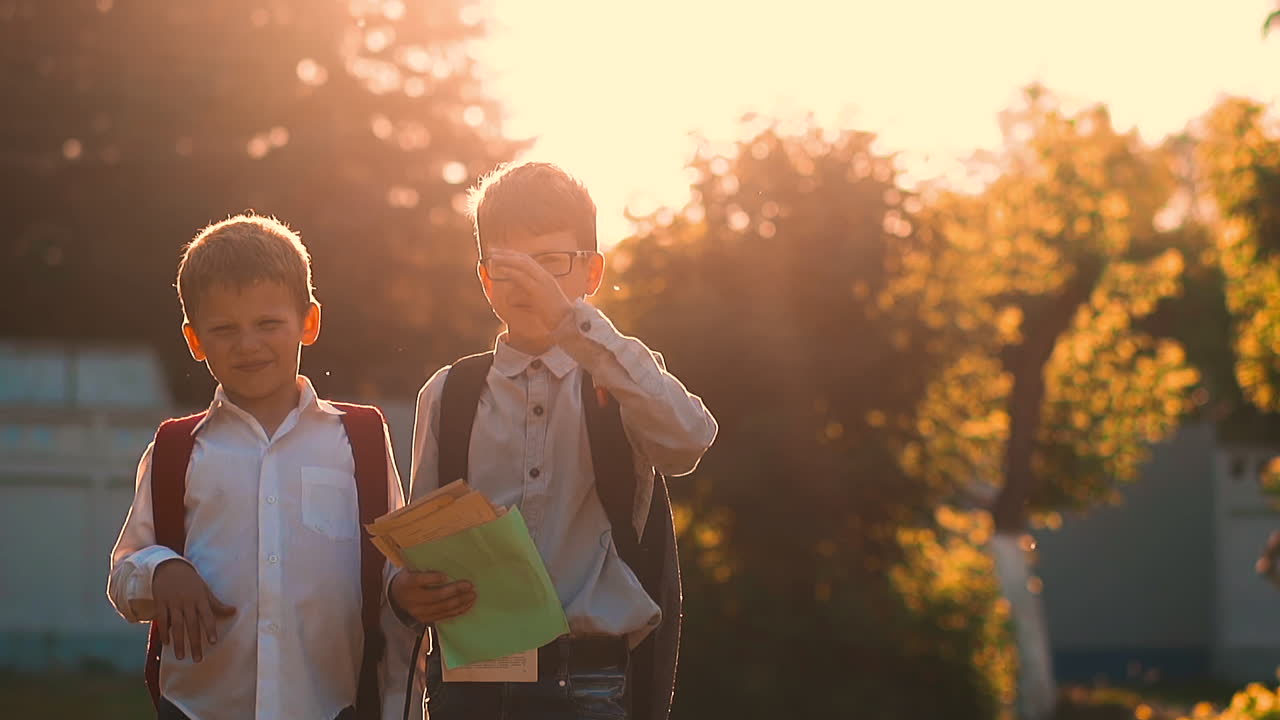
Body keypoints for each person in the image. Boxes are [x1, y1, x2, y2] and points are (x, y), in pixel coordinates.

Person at [395, 161, 718, 719]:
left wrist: (575, 323)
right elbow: (420, 543)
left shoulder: (622, 379)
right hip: (471, 681)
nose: (533, 283)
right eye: (511, 265)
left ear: (591, 273)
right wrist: (408, 588)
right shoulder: (449, 393)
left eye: (552, 263)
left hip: (589, 680)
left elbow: (688, 442)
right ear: (485, 278)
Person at [107, 214, 413, 720]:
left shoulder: (359, 439)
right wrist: (160, 569)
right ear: (194, 339)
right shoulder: (176, 449)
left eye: (268, 324)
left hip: (332, 706)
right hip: (197, 710)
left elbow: (390, 573)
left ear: (308, 323)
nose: (247, 345)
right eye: (224, 329)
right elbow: (124, 573)